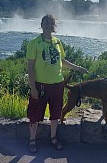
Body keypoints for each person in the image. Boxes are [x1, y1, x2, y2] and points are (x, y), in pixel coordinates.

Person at [26, 14, 87, 153]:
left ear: (54, 26)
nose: (48, 26)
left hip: (57, 85)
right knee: (34, 114)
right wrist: (33, 87)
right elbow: (30, 67)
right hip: (40, 85)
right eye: (46, 23)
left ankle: (53, 138)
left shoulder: (58, 42)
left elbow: (62, 61)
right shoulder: (34, 43)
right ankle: (32, 139)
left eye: (51, 23)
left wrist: (78, 68)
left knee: (55, 113)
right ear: (41, 25)